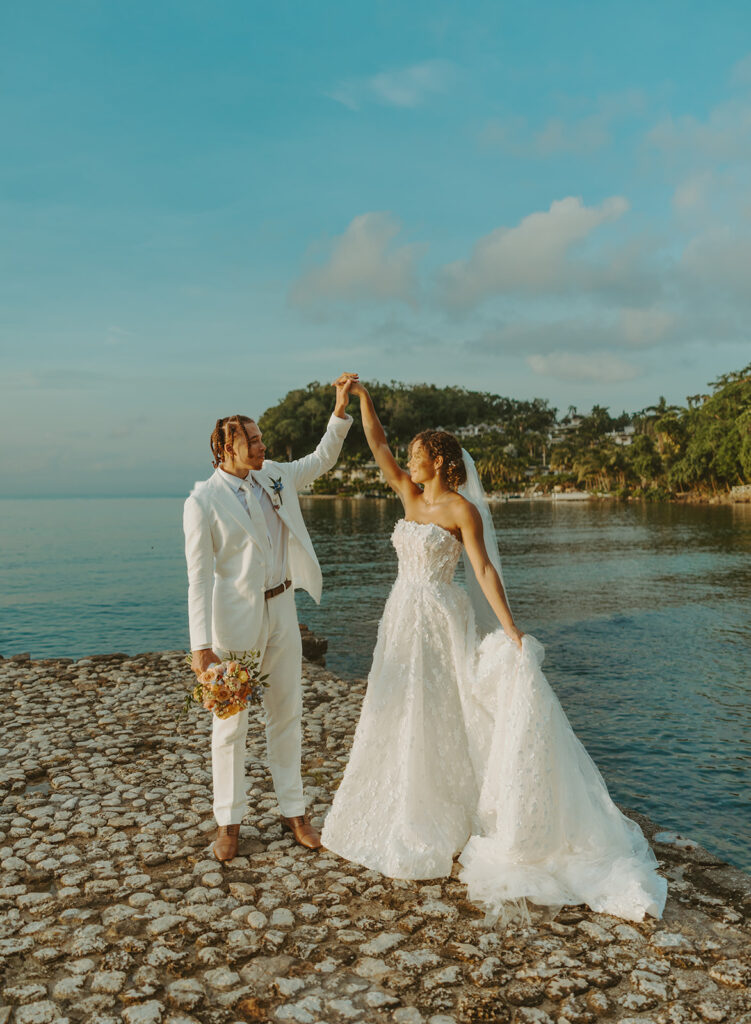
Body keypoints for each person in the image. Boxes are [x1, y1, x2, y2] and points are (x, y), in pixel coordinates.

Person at [321, 379, 667, 923]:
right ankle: (395, 810)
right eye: (409, 455)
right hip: (401, 616)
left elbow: (482, 570)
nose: (408, 462)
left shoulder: (462, 511)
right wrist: (359, 402)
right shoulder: (408, 495)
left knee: (443, 709)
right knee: (396, 707)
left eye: (418, 456)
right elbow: (378, 445)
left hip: (439, 617)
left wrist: (511, 629)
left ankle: (450, 815)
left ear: (438, 461)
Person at [183, 374, 355, 862]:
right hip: (235, 621)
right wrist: (201, 646)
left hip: (284, 608)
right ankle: (229, 823)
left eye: (260, 439)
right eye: (252, 441)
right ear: (225, 451)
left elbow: (321, 460)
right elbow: (197, 579)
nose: (262, 446)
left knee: (287, 713)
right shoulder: (201, 502)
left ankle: (293, 812)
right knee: (230, 724)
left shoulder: (275, 476)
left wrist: (339, 410)